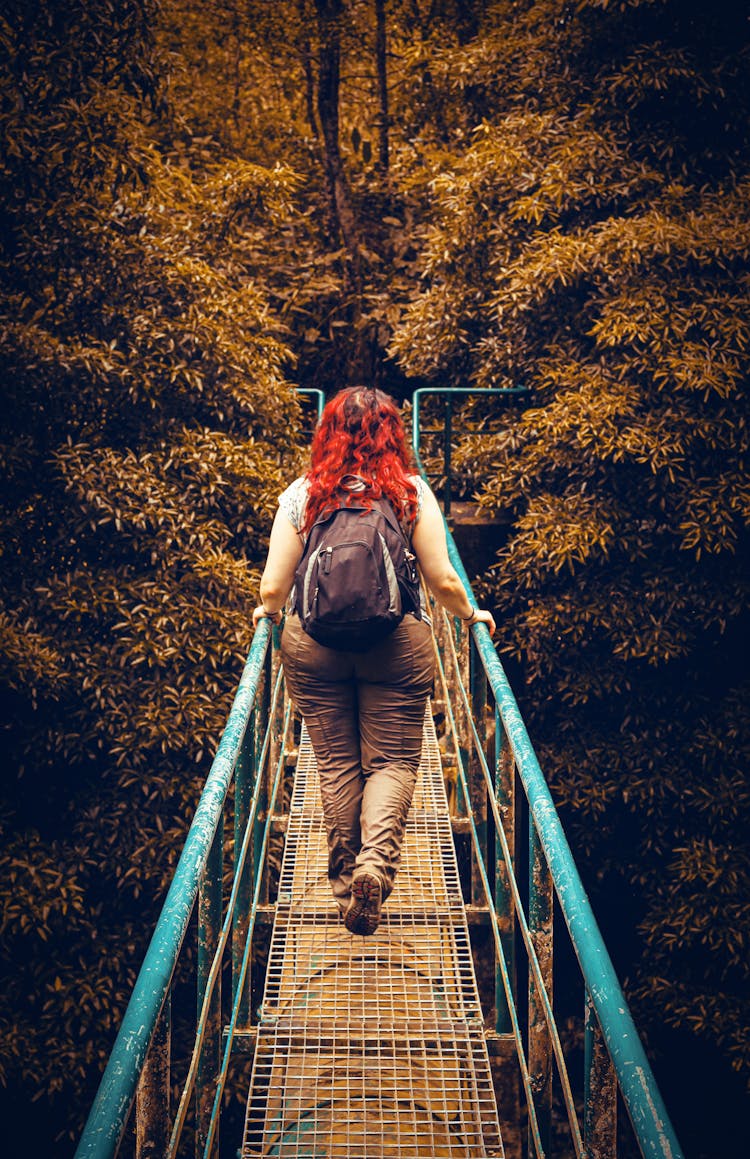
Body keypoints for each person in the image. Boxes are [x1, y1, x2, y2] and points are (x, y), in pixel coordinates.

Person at [252, 387, 495, 936]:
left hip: (313, 645)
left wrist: (264, 612)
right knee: (392, 762)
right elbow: (442, 579)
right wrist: (470, 614)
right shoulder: (409, 491)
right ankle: (374, 870)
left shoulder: (303, 494)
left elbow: (274, 586)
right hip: (396, 643)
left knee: (336, 764)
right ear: (392, 433)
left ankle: (345, 888)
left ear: (327, 434)